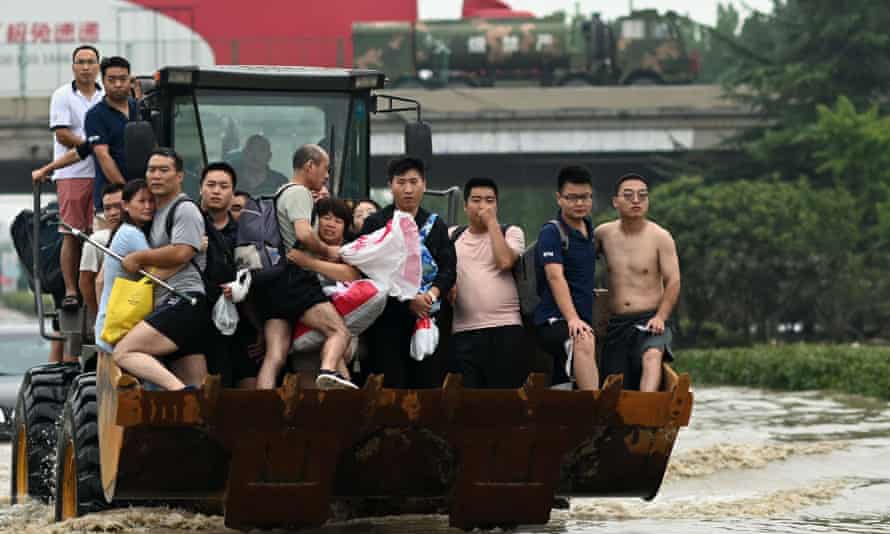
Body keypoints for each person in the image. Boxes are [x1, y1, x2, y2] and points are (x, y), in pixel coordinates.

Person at [249, 144, 356, 390]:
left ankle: (260, 404)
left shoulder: (281, 191)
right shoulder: (299, 192)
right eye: (325, 169)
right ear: (310, 166)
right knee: (339, 331)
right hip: (295, 278)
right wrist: (327, 251)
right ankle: (329, 372)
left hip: (273, 282)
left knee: (275, 355)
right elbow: (304, 234)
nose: (326, 176)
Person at [113, 148, 211, 391]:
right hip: (177, 304)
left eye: (164, 170)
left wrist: (139, 257)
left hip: (182, 300)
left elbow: (182, 252)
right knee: (198, 386)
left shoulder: (184, 209)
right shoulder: (157, 213)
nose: (156, 175)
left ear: (179, 176)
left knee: (124, 352)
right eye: (151, 170)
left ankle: (181, 395)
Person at [360, 156, 457, 389]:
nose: (408, 189)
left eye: (414, 182)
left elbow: (449, 268)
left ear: (424, 184)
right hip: (388, 319)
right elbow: (367, 272)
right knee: (391, 384)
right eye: (401, 182)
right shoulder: (376, 223)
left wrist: (430, 296)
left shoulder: (436, 225)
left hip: (428, 317)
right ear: (390, 185)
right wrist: (406, 301)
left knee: (428, 384)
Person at [595, 173, 681, 392]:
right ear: (615, 201)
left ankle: (647, 409)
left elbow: (673, 280)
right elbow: (578, 263)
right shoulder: (603, 234)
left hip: (650, 320)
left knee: (652, 356)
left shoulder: (660, 237)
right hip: (617, 323)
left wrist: (661, 316)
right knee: (614, 385)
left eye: (642, 195)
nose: (636, 200)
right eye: (629, 195)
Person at [448, 177, 527, 389]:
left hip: (505, 328)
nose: (483, 206)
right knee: (469, 403)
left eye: (489, 200)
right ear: (465, 206)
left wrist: (492, 223)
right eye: (476, 200)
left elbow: (504, 261)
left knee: (504, 401)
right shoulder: (452, 236)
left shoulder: (511, 232)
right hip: (464, 331)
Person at [49, 45, 104, 311]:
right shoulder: (62, 95)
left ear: (98, 66)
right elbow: (62, 134)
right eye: (80, 62)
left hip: (103, 173)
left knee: (100, 233)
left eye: (90, 62)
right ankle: (71, 291)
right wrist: (93, 145)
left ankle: (96, 286)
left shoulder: (107, 96)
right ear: (73, 66)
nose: (85, 67)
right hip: (72, 173)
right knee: (71, 233)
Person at [534, 166, 599, 391]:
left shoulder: (590, 231)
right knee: (583, 340)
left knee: (563, 379)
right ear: (559, 198)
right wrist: (572, 319)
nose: (579, 203)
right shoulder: (552, 232)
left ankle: (563, 418)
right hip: (554, 320)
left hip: (581, 319)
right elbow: (555, 277)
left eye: (585, 197)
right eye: (572, 198)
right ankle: (596, 410)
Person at [94, 180, 159, 356]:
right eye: (141, 201)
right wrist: (190, 250)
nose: (148, 206)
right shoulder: (131, 234)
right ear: (126, 206)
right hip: (119, 327)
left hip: (111, 323)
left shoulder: (124, 231)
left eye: (151, 201)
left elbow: (100, 281)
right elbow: (158, 273)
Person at [85, 56, 139, 212]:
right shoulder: (95, 115)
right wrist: (127, 192)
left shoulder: (140, 108)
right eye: (112, 80)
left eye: (123, 79)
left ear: (130, 79)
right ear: (103, 81)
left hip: (143, 199)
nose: (118, 84)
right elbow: (103, 156)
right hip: (111, 202)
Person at [79, 183, 124, 329]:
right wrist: (100, 316)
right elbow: (86, 282)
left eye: (118, 206)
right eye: (107, 208)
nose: (112, 213)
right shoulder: (96, 241)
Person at [199, 161, 239, 248]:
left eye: (224, 186)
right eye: (211, 185)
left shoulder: (241, 233)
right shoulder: (187, 222)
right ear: (201, 189)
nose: (216, 191)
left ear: (233, 193)